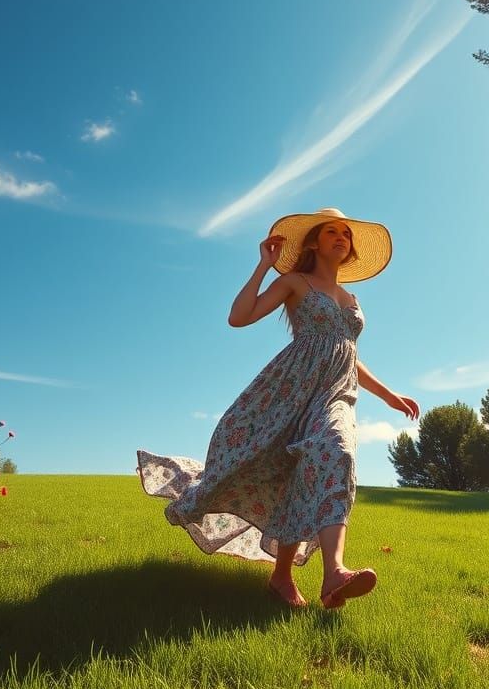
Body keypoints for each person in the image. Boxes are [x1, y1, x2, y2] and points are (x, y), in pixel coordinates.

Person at [137, 207, 419, 609]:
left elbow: (347, 351)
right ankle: (281, 577)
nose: (342, 237)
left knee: (336, 451)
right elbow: (239, 317)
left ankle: (334, 572)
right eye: (332, 231)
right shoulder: (294, 282)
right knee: (289, 473)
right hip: (289, 391)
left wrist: (389, 395)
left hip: (336, 394)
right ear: (314, 242)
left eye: (347, 233)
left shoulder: (351, 298)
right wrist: (263, 267)